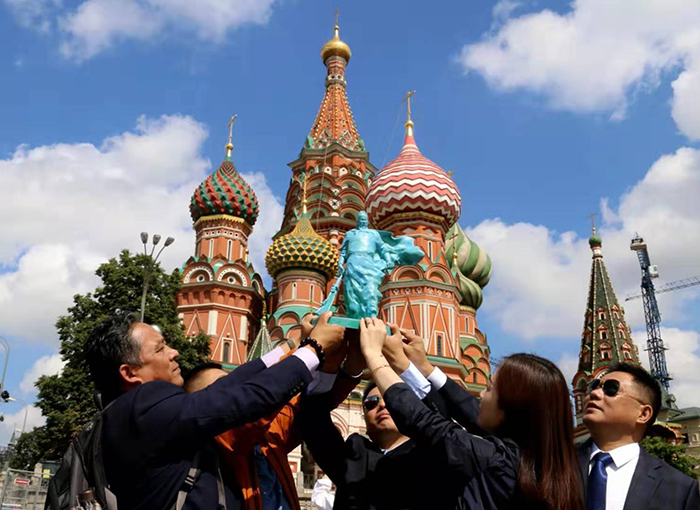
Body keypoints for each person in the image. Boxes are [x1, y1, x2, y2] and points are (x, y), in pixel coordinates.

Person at [85, 310, 344, 510]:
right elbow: (239, 399)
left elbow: (225, 388)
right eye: (160, 348)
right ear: (129, 373)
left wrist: (292, 345)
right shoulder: (141, 406)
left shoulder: (133, 414)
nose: (174, 352)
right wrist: (314, 350)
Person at [359, 317, 585, 510]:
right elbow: (467, 411)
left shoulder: (497, 461)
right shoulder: (546, 465)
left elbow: (426, 423)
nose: (480, 397)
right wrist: (420, 365)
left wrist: (375, 357)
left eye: (489, 389)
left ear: (511, 408)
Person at [182, 314, 365, 510]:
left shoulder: (268, 439)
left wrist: (347, 365)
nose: (237, 388)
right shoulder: (221, 443)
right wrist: (310, 347)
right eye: (225, 385)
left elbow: (310, 407)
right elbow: (265, 397)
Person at [301, 323, 465, 510]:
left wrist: (403, 363)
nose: (382, 405)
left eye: (391, 400)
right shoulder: (355, 454)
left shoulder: (430, 451)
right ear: (364, 417)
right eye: (371, 403)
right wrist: (338, 364)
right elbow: (314, 423)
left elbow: (441, 421)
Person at [580, 363, 699, 510]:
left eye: (611, 389)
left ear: (643, 414)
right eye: (594, 386)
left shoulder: (679, 488)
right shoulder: (551, 467)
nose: (595, 394)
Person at [328, 210, 423, 319]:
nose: (363, 221)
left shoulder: (373, 234)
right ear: (357, 221)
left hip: (369, 264)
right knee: (351, 292)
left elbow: (383, 249)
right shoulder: (350, 234)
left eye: (364, 219)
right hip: (352, 263)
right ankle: (353, 317)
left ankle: (371, 317)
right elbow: (344, 252)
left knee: (370, 290)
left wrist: (388, 260)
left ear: (367, 221)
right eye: (361, 219)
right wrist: (340, 264)